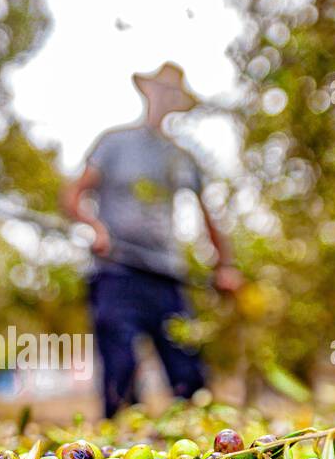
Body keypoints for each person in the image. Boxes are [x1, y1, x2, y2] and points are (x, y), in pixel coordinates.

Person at [62, 62, 242, 417]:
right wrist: (96, 227)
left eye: (174, 94)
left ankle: (198, 451)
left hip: (165, 275)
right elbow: (72, 195)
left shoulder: (181, 157)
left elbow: (209, 215)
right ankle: (118, 450)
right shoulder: (114, 143)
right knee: (121, 369)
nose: (166, 98)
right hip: (115, 271)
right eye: (161, 90)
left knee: (188, 374)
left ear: (178, 103)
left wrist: (225, 265)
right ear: (148, 93)